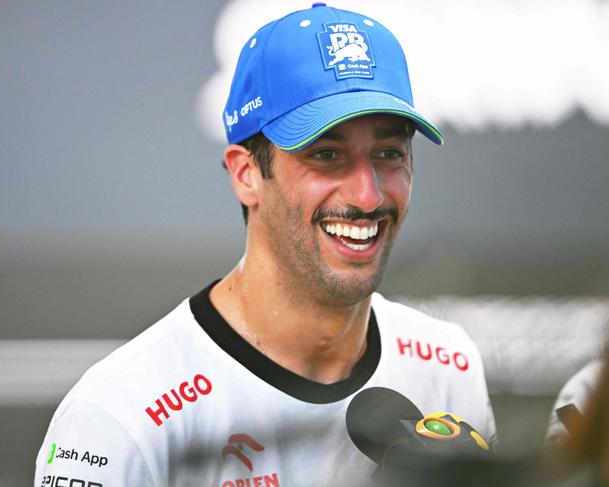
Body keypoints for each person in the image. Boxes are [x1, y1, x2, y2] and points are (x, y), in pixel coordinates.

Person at [35, 3, 496, 486]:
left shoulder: (448, 366)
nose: (368, 195)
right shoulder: (119, 417)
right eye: (326, 154)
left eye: (388, 154)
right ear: (246, 173)